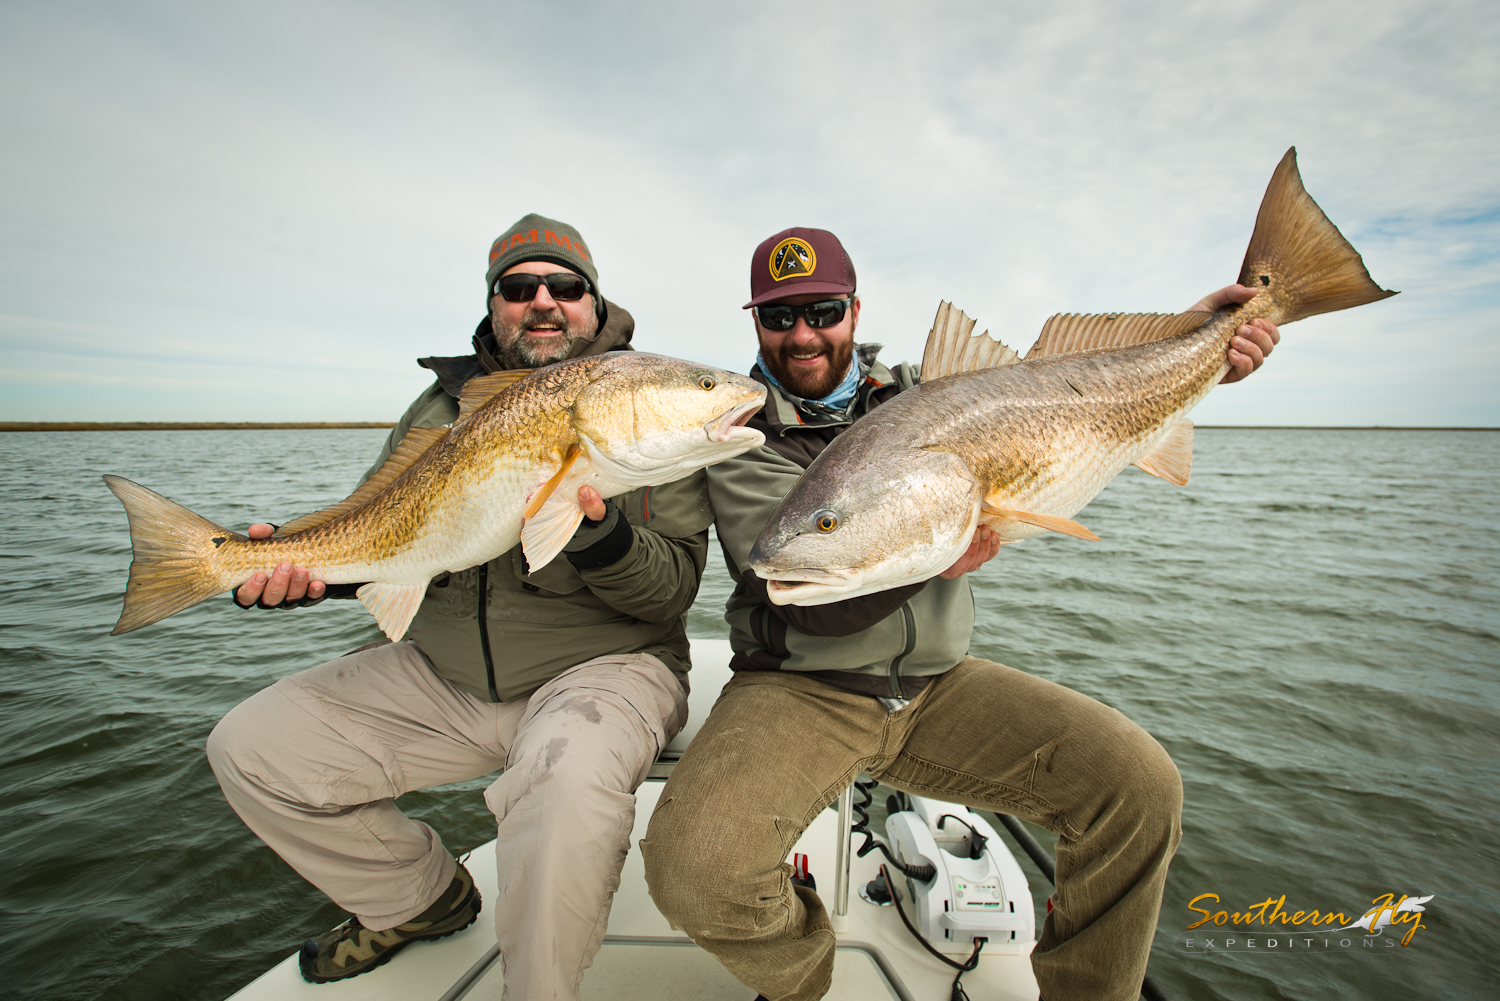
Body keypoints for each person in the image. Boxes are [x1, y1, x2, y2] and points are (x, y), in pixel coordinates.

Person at [640, 226, 1279, 1001]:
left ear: (853, 309)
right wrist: (937, 552)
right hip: (801, 687)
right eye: (779, 318)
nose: (802, 333)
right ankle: (806, 982)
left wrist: (1198, 339)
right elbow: (803, 600)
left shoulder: (926, 390)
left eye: (821, 309)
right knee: (692, 870)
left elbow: (1072, 385)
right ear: (756, 326)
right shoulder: (737, 440)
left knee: (1139, 787)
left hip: (938, 683)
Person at [207, 214, 712, 998]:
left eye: (565, 287)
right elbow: (388, 532)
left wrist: (595, 527)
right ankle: (420, 901)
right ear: (495, 305)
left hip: (604, 672)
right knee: (250, 745)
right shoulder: (437, 409)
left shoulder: (645, 401)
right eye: (519, 287)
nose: (543, 301)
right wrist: (311, 572)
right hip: (443, 676)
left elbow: (669, 591)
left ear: (593, 301)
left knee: (568, 786)